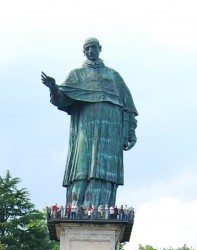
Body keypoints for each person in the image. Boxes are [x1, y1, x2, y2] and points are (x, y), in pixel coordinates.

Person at [41, 37, 137, 207]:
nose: (91, 51)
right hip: (86, 128)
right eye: (87, 48)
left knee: (105, 169)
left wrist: (130, 133)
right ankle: (80, 206)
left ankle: (104, 206)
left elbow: (127, 108)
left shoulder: (113, 76)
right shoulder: (77, 75)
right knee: (82, 167)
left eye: (94, 47)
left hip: (111, 131)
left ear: (100, 48)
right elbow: (62, 100)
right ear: (83, 52)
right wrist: (54, 88)